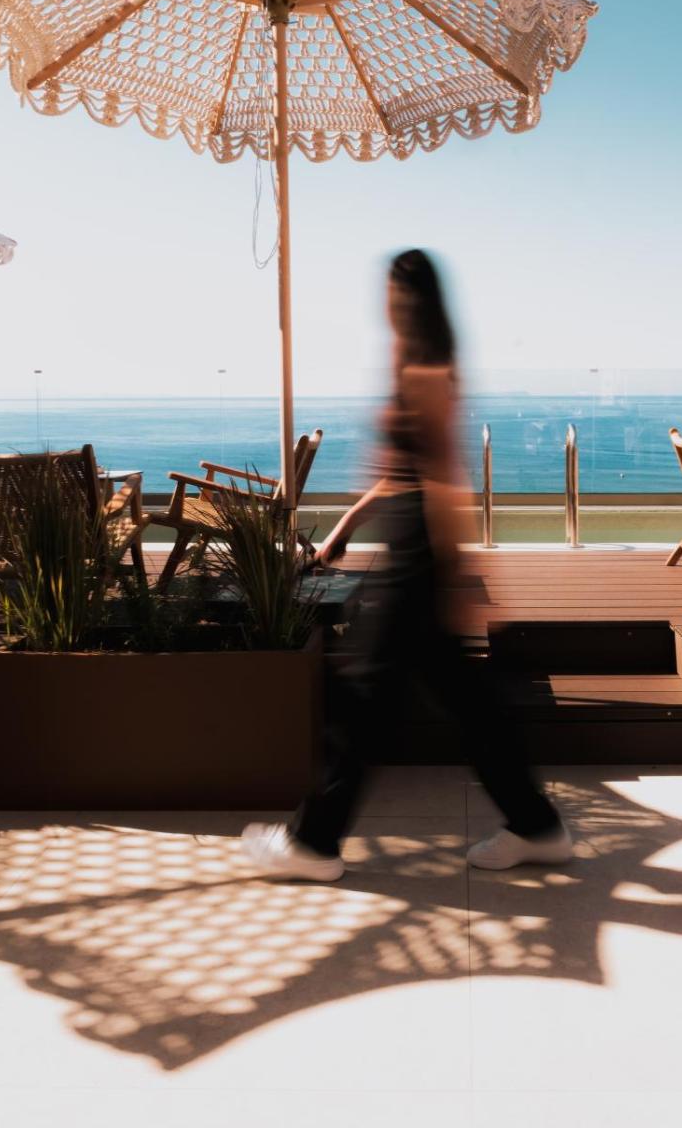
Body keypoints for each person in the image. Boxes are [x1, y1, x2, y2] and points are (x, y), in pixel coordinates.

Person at [242, 249, 572, 881]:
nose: (388, 305)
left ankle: (314, 842)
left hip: (420, 556)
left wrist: (455, 572)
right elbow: (399, 473)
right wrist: (345, 528)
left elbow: (443, 475)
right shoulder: (412, 364)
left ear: (412, 302)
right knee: (459, 701)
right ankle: (536, 824)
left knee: (368, 697)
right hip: (410, 549)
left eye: (397, 295)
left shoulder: (425, 369)